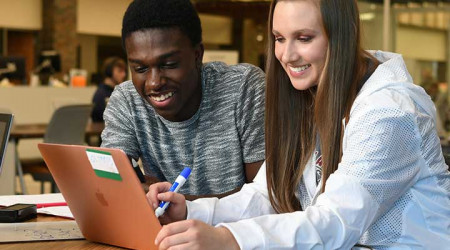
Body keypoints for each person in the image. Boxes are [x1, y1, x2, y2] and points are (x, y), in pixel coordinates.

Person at [148, 0, 450, 249]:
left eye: (304, 38)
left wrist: (229, 240)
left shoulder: (390, 112)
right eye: (279, 38)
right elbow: (269, 195)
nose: (286, 55)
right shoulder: (312, 93)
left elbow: (335, 221)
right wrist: (191, 211)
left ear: (341, 35)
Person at [101, 0, 265, 196]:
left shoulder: (243, 87)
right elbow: (110, 182)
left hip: (235, 227)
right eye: (140, 69)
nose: (154, 83)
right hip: (161, 227)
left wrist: (181, 206)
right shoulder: (127, 100)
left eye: (169, 64)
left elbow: (264, 196)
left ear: (198, 55)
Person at [91, 57, 127, 122]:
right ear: (109, 71)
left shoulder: (118, 91)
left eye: (124, 71)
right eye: (120, 71)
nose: (124, 74)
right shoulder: (101, 94)